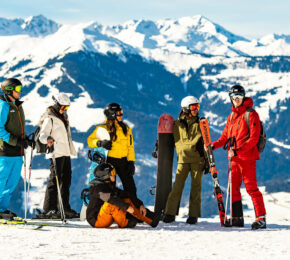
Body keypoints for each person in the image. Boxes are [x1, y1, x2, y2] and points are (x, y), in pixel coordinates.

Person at [211, 85, 266, 230]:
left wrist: (237, 150)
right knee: (233, 188)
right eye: (234, 98)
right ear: (230, 99)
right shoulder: (231, 116)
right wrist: (213, 145)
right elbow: (225, 137)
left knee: (251, 188)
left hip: (247, 158)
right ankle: (237, 218)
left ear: (243, 97)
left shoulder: (251, 114)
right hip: (234, 159)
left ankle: (261, 219)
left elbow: (253, 139)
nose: (236, 100)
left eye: (239, 97)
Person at [87, 103, 145, 213]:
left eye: (121, 113)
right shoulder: (102, 129)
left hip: (123, 161)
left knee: (130, 187)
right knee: (110, 189)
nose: (121, 115)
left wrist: (131, 161)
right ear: (112, 115)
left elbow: (130, 147)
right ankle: (110, 211)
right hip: (109, 162)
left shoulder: (126, 129)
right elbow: (90, 140)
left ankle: (134, 211)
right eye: (119, 113)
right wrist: (100, 142)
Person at [163, 96, 208, 224]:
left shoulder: (200, 123)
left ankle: (193, 216)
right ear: (186, 108)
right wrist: (158, 146)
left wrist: (208, 162)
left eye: (197, 107)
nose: (196, 110)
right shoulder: (177, 124)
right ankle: (170, 213)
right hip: (182, 160)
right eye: (194, 107)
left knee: (196, 188)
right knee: (177, 187)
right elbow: (168, 139)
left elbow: (206, 142)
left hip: (197, 160)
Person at [35, 93, 79, 219]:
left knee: (66, 180)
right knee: (55, 180)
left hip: (65, 152)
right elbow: (42, 135)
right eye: (63, 107)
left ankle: (63, 208)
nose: (65, 110)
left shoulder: (63, 117)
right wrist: (48, 138)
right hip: (55, 152)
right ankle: (49, 209)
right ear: (57, 104)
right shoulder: (50, 118)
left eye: (67, 108)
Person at [86, 161, 160, 228]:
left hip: (106, 214)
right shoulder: (97, 189)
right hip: (97, 220)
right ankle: (126, 223)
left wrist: (140, 204)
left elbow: (125, 195)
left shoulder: (108, 186)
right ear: (105, 176)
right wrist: (127, 207)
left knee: (126, 199)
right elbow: (111, 199)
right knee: (111, 204)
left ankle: (151, 219)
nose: (114, 175)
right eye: (112, 173)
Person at [0, 78, 33, 219]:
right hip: (5, 151)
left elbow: (19, 128)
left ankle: (2, 209)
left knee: (12, 183)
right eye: (18, 89)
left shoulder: (18, 106)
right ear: (8, 90)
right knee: (1, 180)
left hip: (17, 153)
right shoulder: (3, 106)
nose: (20, 92)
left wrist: (25, 139)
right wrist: (16, 141)